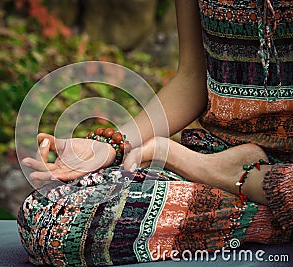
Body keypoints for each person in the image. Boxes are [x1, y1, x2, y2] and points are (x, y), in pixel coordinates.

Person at [18, 0, 293, 266]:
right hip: (217, 151)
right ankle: (249, 188)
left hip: (272, 170)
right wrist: (112, 145)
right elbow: (192, 79)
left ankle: (246, 182)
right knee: (54, 217)